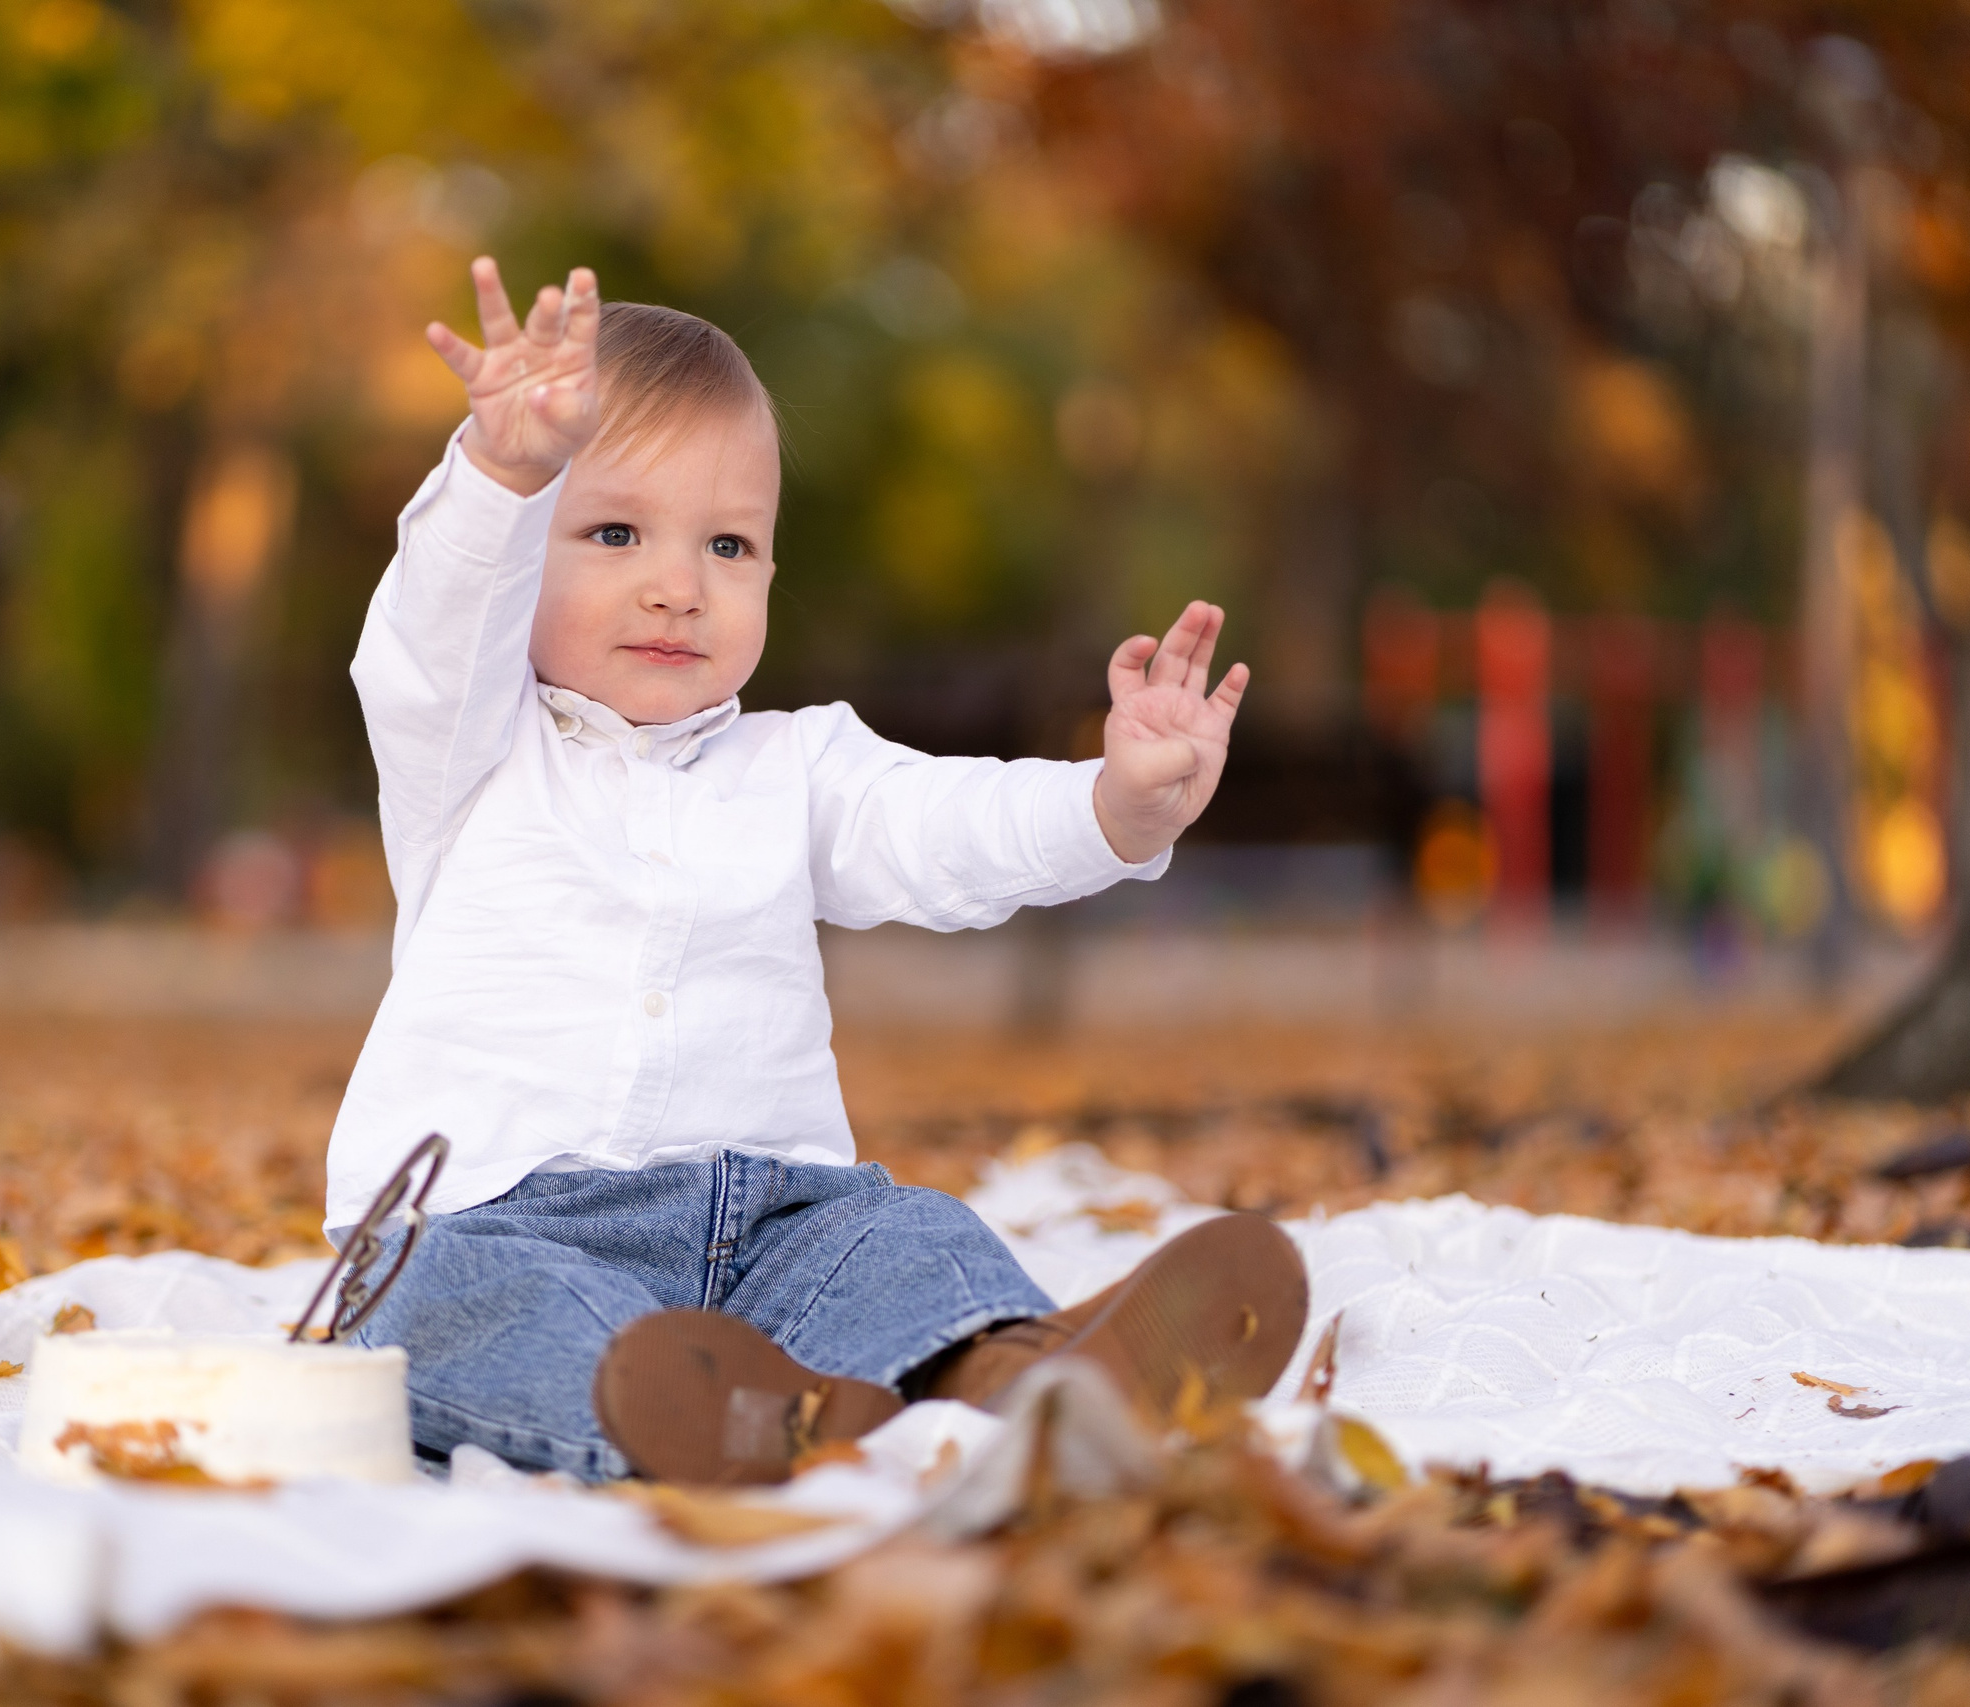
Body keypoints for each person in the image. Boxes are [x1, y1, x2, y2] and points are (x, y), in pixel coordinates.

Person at [331, 258, 1307, 1485]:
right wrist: (504, 476)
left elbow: (945, 827)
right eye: (615, 531)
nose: (678, 586)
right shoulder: (468, 747)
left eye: (728, 545)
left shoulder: (795, 767)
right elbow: (429, 633)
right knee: (435, 1296)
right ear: (529, 551)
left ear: (771, 575)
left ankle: (1014, 1380)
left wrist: (1112, 803)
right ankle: (711, 1414)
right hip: (501, 1214)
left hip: (767, 1228)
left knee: (902, 1236)